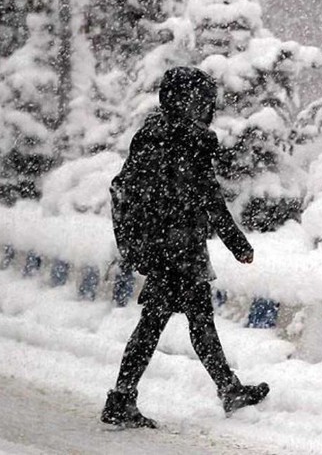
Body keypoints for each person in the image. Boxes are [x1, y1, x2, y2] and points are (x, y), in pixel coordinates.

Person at [101, 67, 269, 429]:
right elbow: (210, 198)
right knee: (173, 322)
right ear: (185, 101)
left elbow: (128, 189)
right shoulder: (190, 141)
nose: (205, 107)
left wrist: (138, 242)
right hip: (179, 249)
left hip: (161, 247)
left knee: (178, 320)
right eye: (201, 100)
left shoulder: (150, 136)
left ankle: (223, 389)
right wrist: (237, 243)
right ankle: (124, 397)